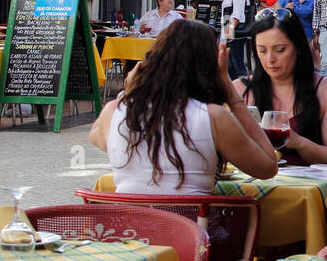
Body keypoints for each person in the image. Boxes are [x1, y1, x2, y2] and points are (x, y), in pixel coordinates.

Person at [90, 19, 278, 194]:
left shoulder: (114, 111)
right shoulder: (213, 117)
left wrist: (131, 92)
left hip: (128, 228)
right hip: (192, 227)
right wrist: (231, 95)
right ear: (209, 67)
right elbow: (268, 167)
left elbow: (100, 139)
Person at [233, 10, 327, 166]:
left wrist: (299, 143)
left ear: (297, 47)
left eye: (280, 50)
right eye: (262, 50)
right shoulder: (240, 90)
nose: (270, 59)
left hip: (310, 186)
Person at [220, 0, 251, 79]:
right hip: (228, 29)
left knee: (237, 64)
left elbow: (237, 13)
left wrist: (230, 31)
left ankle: (244, 89)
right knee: (230, 66)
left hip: (234, 31)